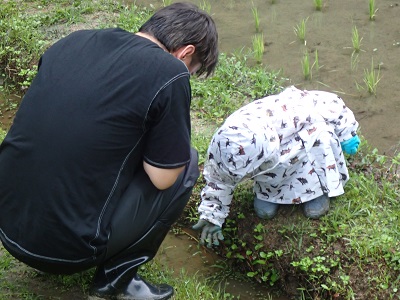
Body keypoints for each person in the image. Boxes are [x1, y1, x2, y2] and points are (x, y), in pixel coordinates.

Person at [0, 3, 218, 300]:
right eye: (192, 70)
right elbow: (163, 179)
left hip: (9, 227)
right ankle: (115, 281)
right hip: (66, 253)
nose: (187, 74)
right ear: (186, 52)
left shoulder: (75, 40)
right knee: (185, 164)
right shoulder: (170, 72)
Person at [192, 86, 360, 248]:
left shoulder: (287, 113)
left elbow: (329, 103)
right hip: (271, 167)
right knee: (264, 208)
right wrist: (212, 216)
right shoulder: (224, 147)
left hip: (301, 147)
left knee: (318, 135)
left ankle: (316, 191)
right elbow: (220, 179)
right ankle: (272, 193)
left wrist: (347, 133)